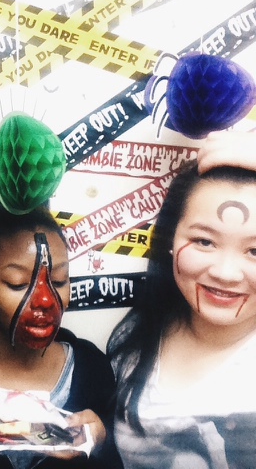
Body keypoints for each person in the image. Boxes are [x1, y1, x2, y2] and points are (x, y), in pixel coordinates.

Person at [107, 133, 256, 468]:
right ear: (171, 239)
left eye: (255, 250)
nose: (225, 273)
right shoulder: (135, 336)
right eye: (204, 241)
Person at [0, 186, 122, 469]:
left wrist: (101, 439)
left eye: (59, 281)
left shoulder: (91, 370)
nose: (44, 301)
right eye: (17, 284)